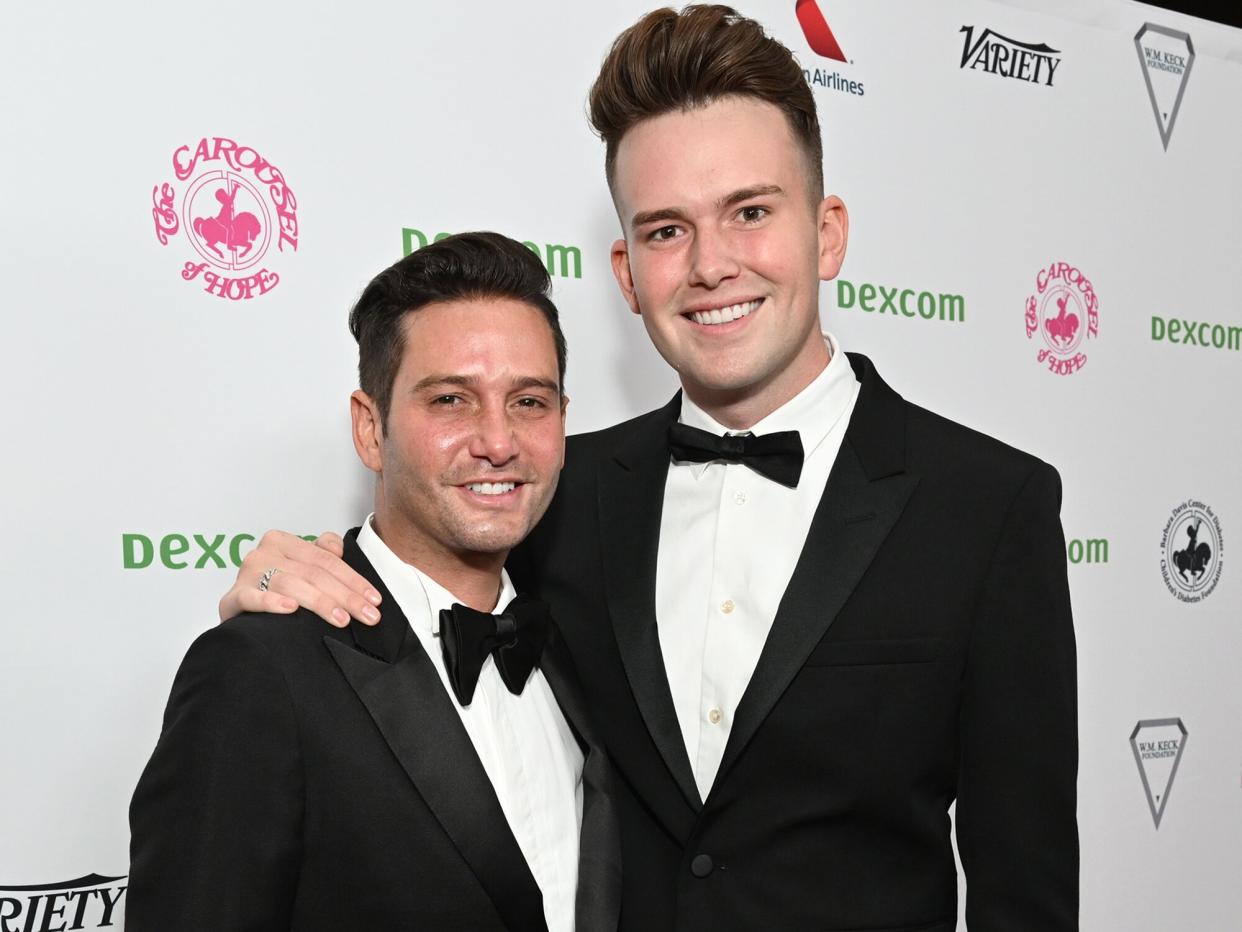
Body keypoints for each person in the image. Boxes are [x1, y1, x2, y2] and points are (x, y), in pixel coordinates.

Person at [219, 6, 1078, 930]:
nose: (710, 265)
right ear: (627, 274)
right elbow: (413, 632)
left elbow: (1021, 885)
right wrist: (280, 597)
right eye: (666, 231)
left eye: (750, 212)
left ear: (826, 234)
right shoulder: (553, 490)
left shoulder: (988, 505)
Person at [129, 232, 621, 932]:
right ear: (369, 429)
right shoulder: (261, 675)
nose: (498, 440)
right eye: (451, 400)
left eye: (530, 402)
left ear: (564, 424)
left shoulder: (586, 645)